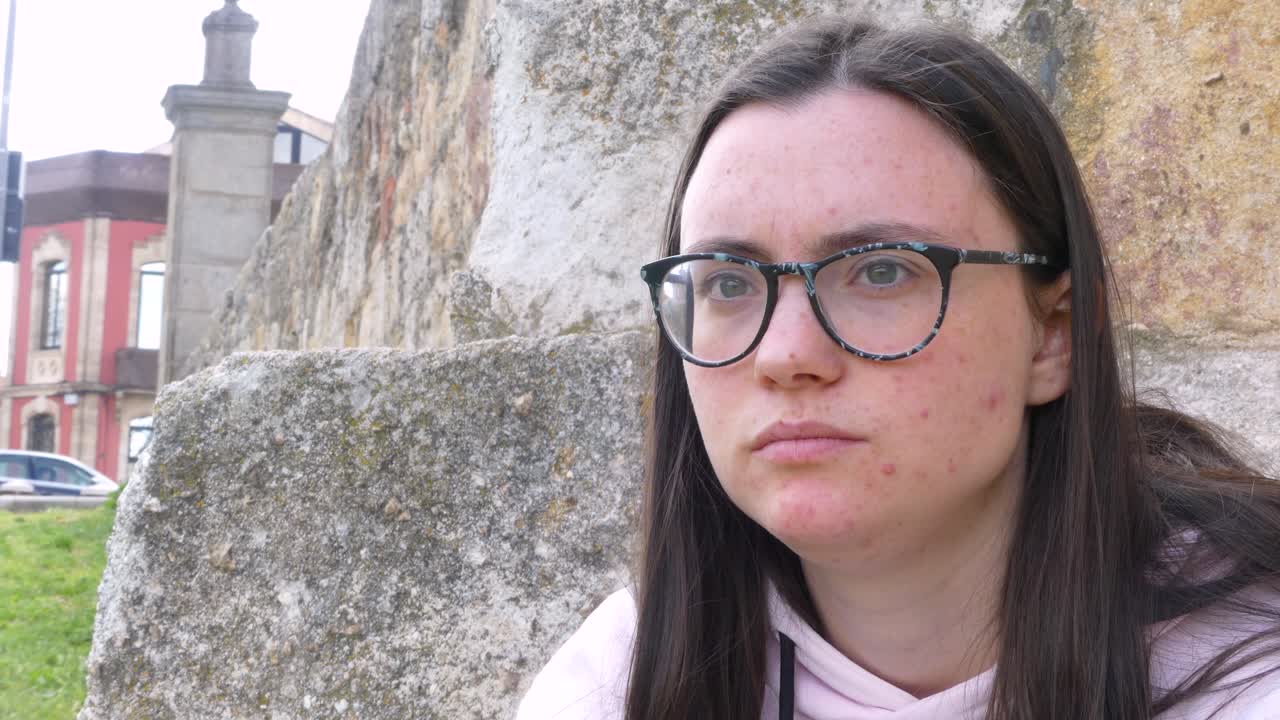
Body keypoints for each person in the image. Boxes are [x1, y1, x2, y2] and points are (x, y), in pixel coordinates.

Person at [517, 16, 1280, 720]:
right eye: (727, 283)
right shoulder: (620, 683)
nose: (785, 355)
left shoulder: (1246, 677)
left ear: (1053, 336)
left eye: (881, 272)